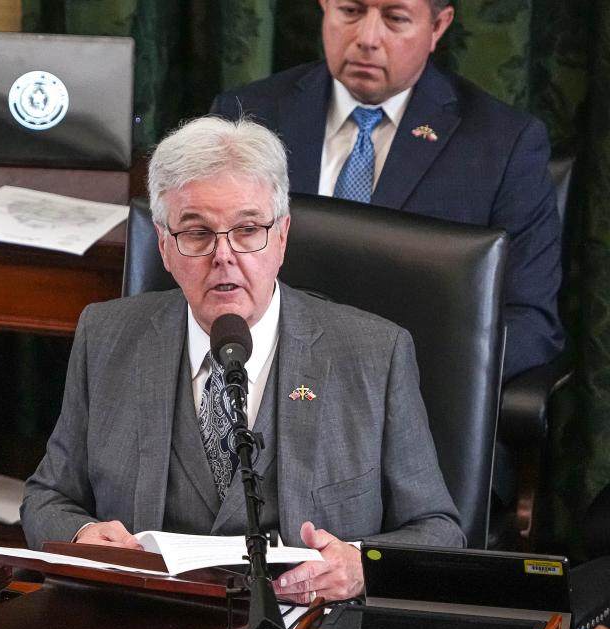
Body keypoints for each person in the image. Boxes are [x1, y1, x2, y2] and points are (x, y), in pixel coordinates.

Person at [21, 115, 464, 605]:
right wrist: (83, 535)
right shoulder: (106, 337)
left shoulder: (375, 354)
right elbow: (46, 498)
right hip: (149, 617)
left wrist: (362, 566)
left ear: (282, 236)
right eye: (196, 233)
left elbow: (439, 531)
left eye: (248, 229)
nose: (224, 255)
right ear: (164, 247)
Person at [210, 0, 563, 381]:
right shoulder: (245, 116)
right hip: (261, 381)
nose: (367, 38)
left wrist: (401, 377)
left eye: (395, 19)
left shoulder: (502, 144)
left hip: (415, 399)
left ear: (438, 26)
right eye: (350, 11)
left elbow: (531, 321)